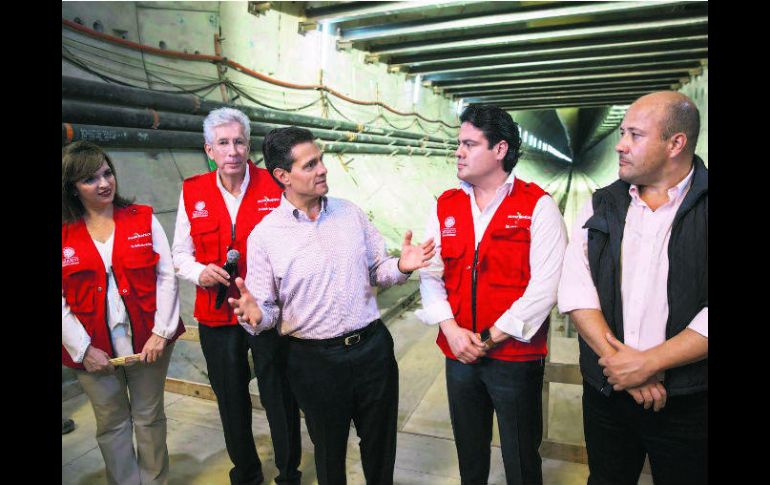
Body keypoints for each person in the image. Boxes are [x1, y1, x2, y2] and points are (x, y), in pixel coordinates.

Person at [228, 126, 435, 485]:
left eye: (320, 160)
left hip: (372, 350)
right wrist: (257, 317)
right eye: (309, 165)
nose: (322, 169)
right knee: (329, 453)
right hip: (314, 363)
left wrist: (402, 266)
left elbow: (378, 270)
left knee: (381, 448)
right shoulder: (265, 236)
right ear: (283, 176)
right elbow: (266, 311)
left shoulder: (350, 214)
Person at [557, 91, 707, 485]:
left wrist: (651, 363)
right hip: (608, 392)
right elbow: (577, 288)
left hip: (689, 400)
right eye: (622, 132)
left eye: (634, 135)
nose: (620, 145)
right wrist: (622, 365)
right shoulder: (602, 204)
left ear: (676, 143)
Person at [416, 105, 567, 485]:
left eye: (469, 144)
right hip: (459, 354)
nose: (459, 152)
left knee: (520, 455)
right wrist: (451, 330)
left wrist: (488, 338)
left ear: (500, 150)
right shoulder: (446, 205)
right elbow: (431, 274)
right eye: (459, 143)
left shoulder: (537, 206)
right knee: (469, 452)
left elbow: (545, 287)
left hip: (514, 357)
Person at [171, 108, 301, 485]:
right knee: (230, 398)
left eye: (239, 142)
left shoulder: (275, 185)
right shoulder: (193, 190)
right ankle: (246, 473)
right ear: (209, 149)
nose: (232, 151)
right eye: (223, 143)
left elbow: (296, 243)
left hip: (266, 312)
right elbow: (180, 253)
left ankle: (288, 473)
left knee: (279, 394)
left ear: (249, 145)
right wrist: (199, 272)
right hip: (217, 315)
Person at [62, 141, 185, 485]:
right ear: (72, 188)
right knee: (112, 423)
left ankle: (154, 480)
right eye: (90, 179)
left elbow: (167, 276)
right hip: (91, 349)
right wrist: (84, 349)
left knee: (149, 417)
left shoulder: (142, 218)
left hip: (149, 343)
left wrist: (160, 333)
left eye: (107, 173)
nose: (104, 183)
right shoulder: (64, 233)